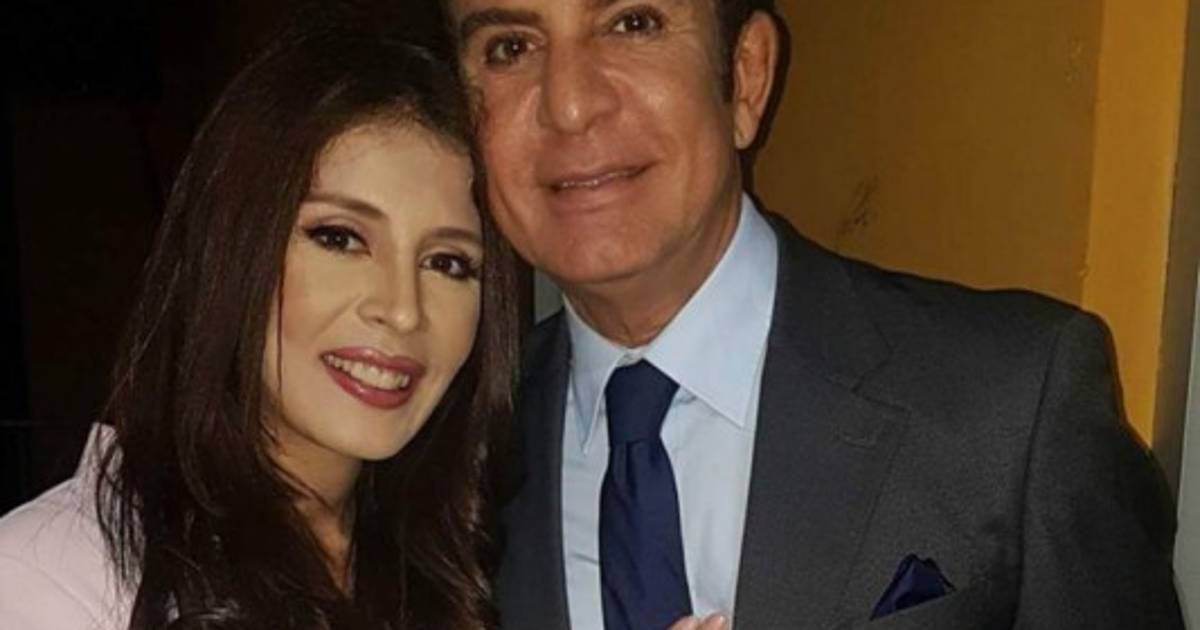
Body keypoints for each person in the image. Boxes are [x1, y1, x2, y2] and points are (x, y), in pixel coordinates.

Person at [445, 0, 1184, 628]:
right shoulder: (446, 451)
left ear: (746, 76)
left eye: (633, 23)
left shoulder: (1014, 404)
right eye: (509, 47)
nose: (570, 104)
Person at [0, 2, 519, 628]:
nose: (403, 310)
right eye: (339, 238)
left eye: (448, 263)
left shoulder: (459, 553)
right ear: (230, 247)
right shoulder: (50, 580)